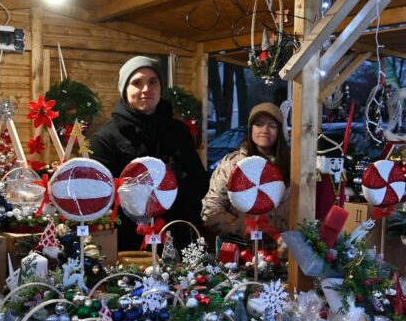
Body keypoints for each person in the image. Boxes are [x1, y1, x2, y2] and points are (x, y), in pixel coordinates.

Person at [91, 56, 208, 250]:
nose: (146, 89)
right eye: (137, 83)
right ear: (125, 89)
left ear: (160, 87)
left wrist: (179, 178)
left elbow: (199, 184)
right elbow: (101, 199)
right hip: (128, 245)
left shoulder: (179, 132)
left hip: (178, 239)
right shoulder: (105, 138)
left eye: (153, 81)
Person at [202, 102, 290, 240]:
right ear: (250, 129)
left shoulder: (291, 166)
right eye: (258, 124)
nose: (265, 130)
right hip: (240, 245)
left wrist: (279, 232)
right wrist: (240, 227)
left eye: (272, 125)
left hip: (281, 246)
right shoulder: (232, 164)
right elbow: (211, 207)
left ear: (280, 130)